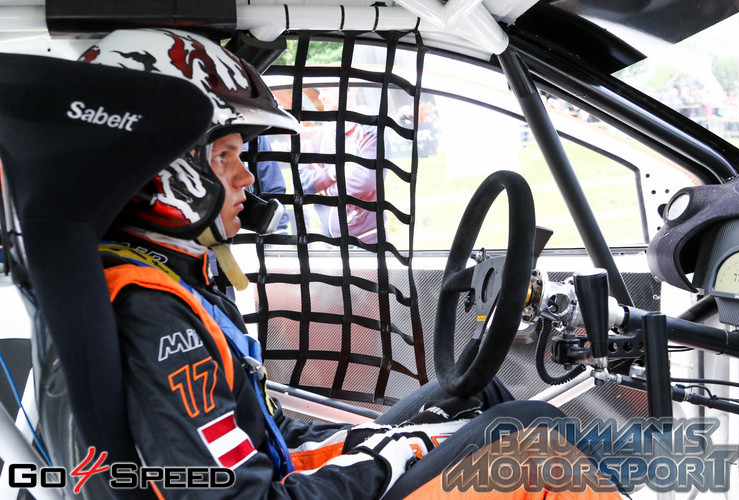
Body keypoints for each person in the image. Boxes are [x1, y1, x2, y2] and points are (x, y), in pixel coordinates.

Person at [83, 28, 619, 499]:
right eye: (225, 157)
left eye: (240, 157)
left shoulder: (174, 280)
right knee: (535, 443)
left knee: (477, 396)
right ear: (159, 165)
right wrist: (388, 458)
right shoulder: (153, 314)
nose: (245, 177)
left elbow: (272, 444)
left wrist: (390, 443)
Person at [300, 86, 387, 244]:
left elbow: (367, 179)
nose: (321, 97)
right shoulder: (318, 139)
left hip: (367, 238)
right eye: (320, 91)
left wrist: (324, 191)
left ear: (350, 89)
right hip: (328, 240)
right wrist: (334, 172)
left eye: (327, 89)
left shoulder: (371, 128)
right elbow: (302, 182)